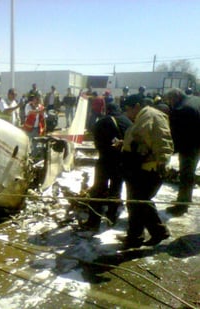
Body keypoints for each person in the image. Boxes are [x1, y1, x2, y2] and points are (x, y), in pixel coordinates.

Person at [118, 94, 174, 248]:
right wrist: (124, 144)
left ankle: (158, 232)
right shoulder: (142, 117)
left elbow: (163, 139)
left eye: (128, 110)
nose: (127, 114)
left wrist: (162, 162)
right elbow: (142, 138)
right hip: (136, 165)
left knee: (140, 202)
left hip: (147, 168)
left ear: (136, 105)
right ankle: (135, 236)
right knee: (135, 203)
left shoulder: (153, 115)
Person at [81, 103, 133, 231]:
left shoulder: (103, 122)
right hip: (122, 161)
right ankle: (112, 217)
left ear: (106, 110)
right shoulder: (127, 121)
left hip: (105, 161)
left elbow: (97, 141)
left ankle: (93, 222)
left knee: (98, 190)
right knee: (116, 189)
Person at [164, 88, 200, 216]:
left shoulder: (181, 109)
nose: (170, 103)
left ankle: (182, 206)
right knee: (189, 174)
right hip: (196, 142)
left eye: (170, 100)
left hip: (190, 145)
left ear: (176, 97)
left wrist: (171, 150)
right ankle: (184, 200)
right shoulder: (196, 99)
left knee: (186, 174)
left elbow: (177, 134)